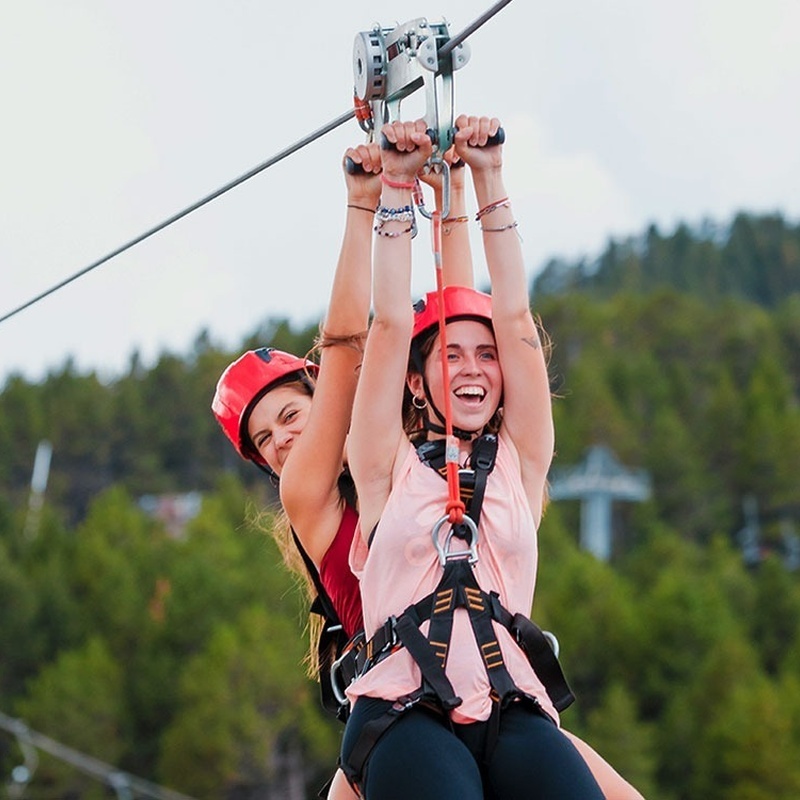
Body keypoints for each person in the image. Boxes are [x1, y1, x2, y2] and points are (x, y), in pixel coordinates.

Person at [214, 136, 643, 799]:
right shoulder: (325, 488)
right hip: (403, 700)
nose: (282, 442)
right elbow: (367, 340)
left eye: (292, 417)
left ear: (326, 403)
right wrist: (372, 205)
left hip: (491, 685)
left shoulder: (446, 464)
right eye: (263, 440)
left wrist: (454, 195)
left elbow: (455, 323)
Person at [339, 115, 611, 799]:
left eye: (485, 356)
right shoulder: (384, 465)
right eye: (452, 354)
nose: (473, 368)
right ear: (415, 378)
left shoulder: (520, 462)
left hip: (512, 707)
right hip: (404, 710)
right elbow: (391, 325)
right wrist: (397, 190)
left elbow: (517, 320)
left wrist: (489, 178)